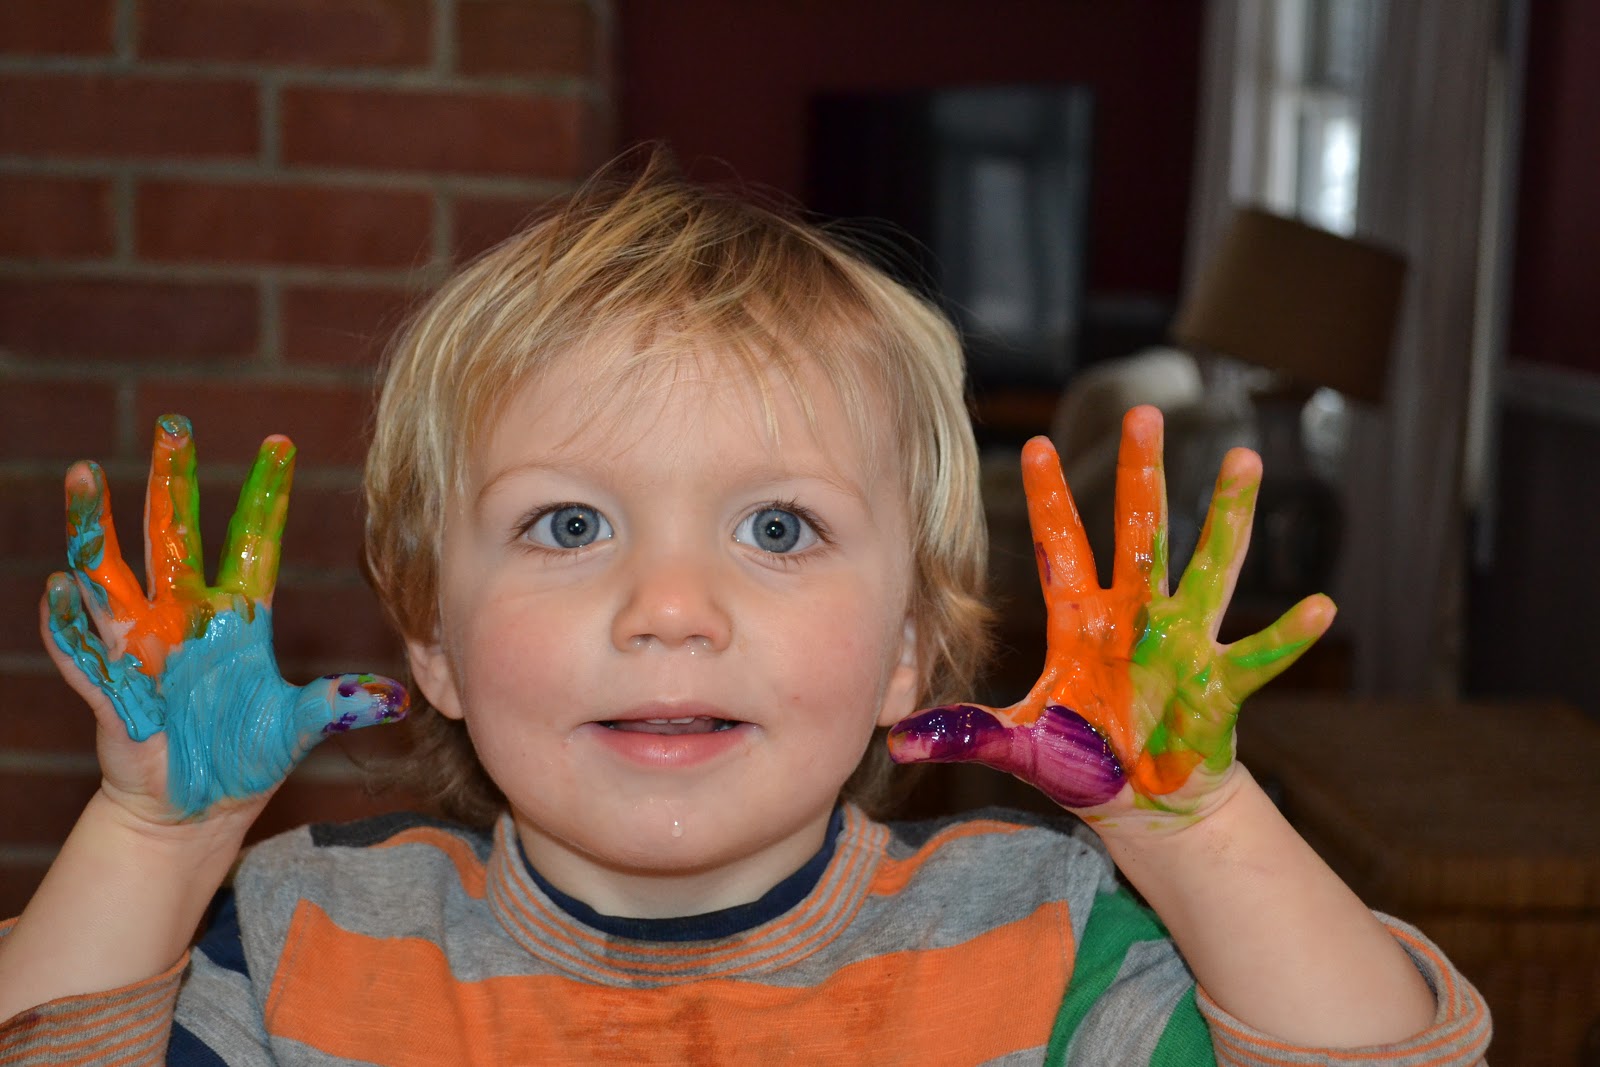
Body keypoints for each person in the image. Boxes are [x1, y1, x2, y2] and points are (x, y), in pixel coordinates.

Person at [0, 153, 1488, 1065]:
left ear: (909, 647)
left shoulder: (1039, 946)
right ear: (434, 640)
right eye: (569, 524)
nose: (670, 609)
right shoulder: (298, 941)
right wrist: (155, 839)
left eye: (779, 528)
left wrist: (1194, 831)